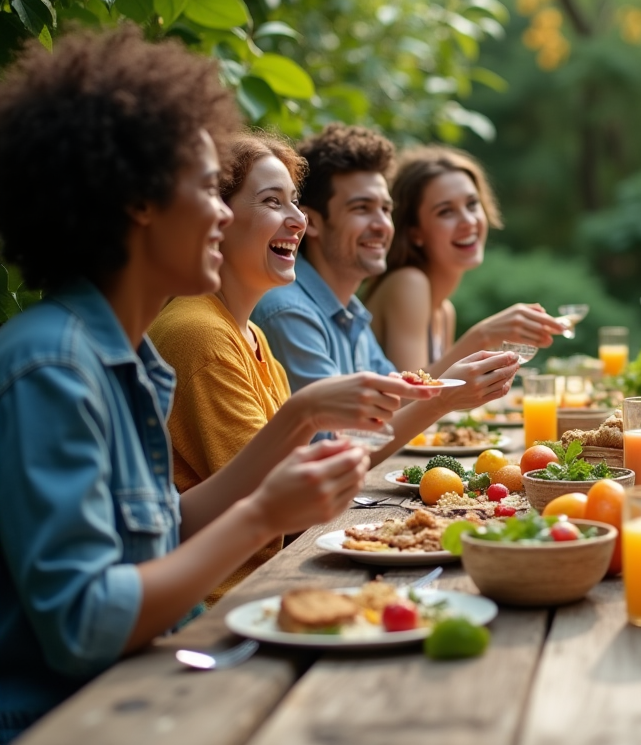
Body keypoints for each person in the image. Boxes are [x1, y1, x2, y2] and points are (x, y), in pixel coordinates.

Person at [0, 28, 370, 743]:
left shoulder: (126, 360)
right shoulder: (51, 367)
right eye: (208, 188)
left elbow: (166, 531)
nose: (227, 213)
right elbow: (85, 623)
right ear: (138, 201)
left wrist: (278, 473)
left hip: (150, 690)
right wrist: (263, 516)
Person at [148, 133, 438, 604]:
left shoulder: (250, 334)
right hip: (227, 603)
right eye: (271, 201)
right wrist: (309, 417)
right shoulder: (200, 335)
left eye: (295, 202)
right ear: (216, 218)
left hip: (267, 581)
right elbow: (277, 497)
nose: (297, 219)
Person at [251, 125, 519, 450]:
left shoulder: (351, 313)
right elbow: (338, 447)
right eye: (361, 208)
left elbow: (398, 405)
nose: (381, 225)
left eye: (386, 209)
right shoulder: (290, 311)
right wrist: (445, 397)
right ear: (313, 222)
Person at [362, 145, 563, 374]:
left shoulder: (444, 310)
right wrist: (482, 337)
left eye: (472, 204)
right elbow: (408, 399)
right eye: (445, 211)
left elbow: (441, 402)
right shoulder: (408, 283)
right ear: (414, 232)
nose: (468, 221)